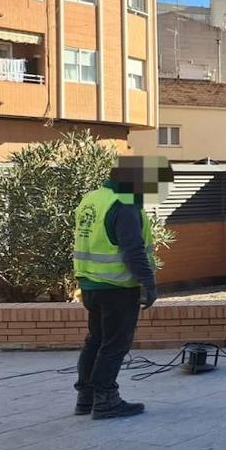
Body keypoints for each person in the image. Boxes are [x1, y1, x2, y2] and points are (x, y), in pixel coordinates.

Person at [72, 156, 171, 420]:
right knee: (115, 344)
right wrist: (148, 283)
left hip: (91, 284)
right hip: (117, 285)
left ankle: (87, 398)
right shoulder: (124, 204)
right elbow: (133, 250)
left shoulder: (92, 199)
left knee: (96, 340)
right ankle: (106, 400)